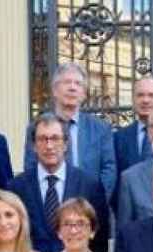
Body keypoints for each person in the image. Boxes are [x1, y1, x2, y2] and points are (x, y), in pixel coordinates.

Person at [9, 113, 109, 252]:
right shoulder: (16, 188)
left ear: (66, 144)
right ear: (34, 146)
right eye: (43, 139)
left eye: (55, 138)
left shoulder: (90, 186)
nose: (49, 146)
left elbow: (99, 239)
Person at [23, 63, 117, 198]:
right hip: (51, 203)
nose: (72, 87)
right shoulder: (37, 127)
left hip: (89, 206)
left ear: (84, 94)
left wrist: (96, 201)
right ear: (54, 90)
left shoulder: (100, 129)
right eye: (67, 82)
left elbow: (109, 170)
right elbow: (31, 167)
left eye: (78, 84)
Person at [114, 77, 153, 190]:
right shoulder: (118, 138)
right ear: (133, 100)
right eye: (140, 95)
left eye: (151, 95)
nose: (145, 100)